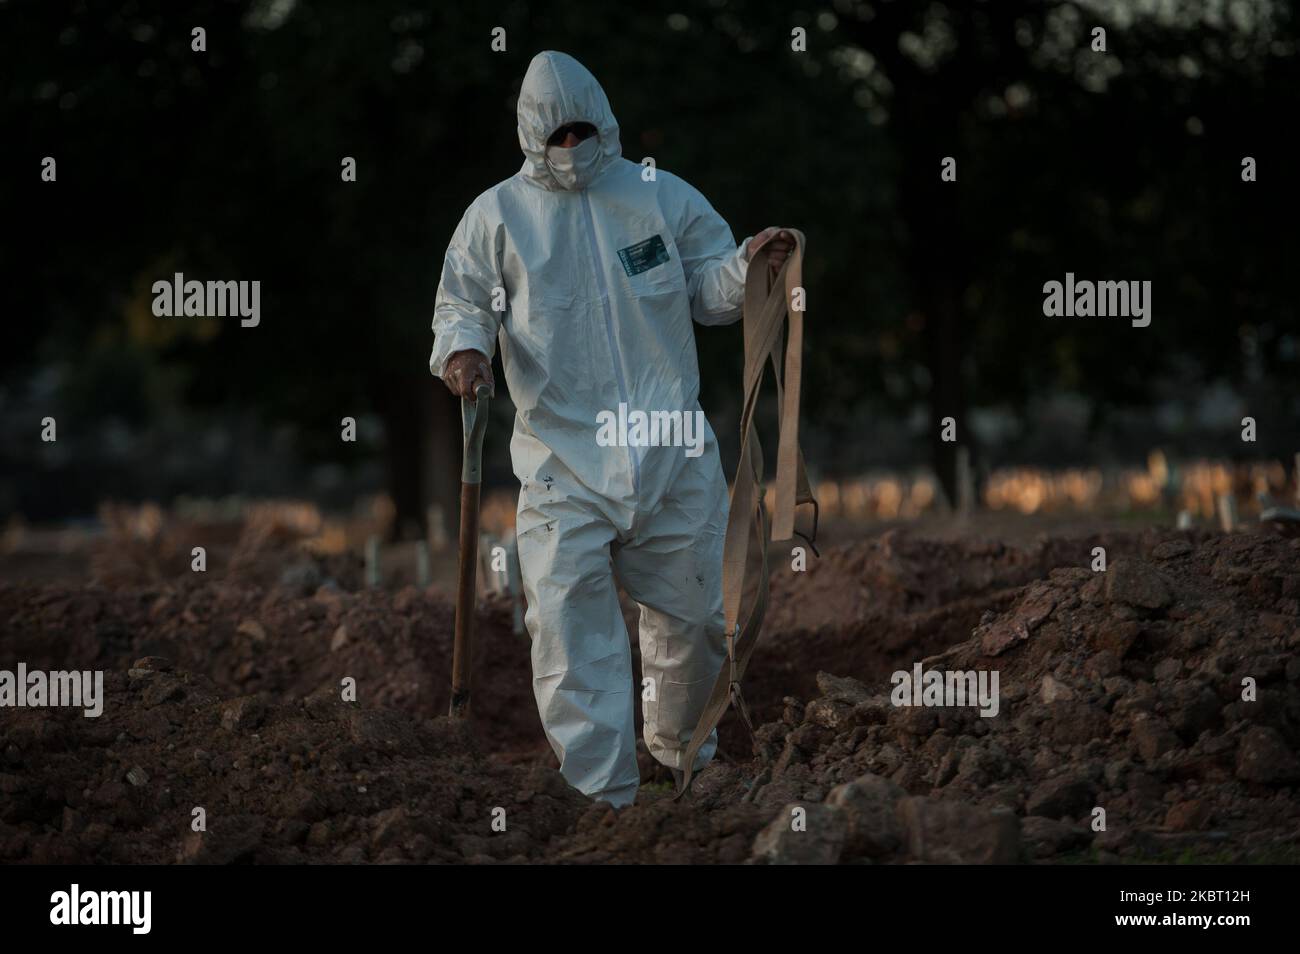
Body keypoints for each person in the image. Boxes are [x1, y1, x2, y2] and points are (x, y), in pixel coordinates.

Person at [430, 50, 792, 807]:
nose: (571, 146)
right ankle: (604, 805)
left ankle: (683, 754)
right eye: (556, 134)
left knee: (696, 621)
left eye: (580, 129)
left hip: (672, 455)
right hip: (562, 463)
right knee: (570, 635)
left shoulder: (658, 195)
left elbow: (709, 285)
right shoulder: (494, 219)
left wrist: (752, 264)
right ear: (532, 135)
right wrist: (464, 352)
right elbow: (461, 303)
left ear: (604, 121)